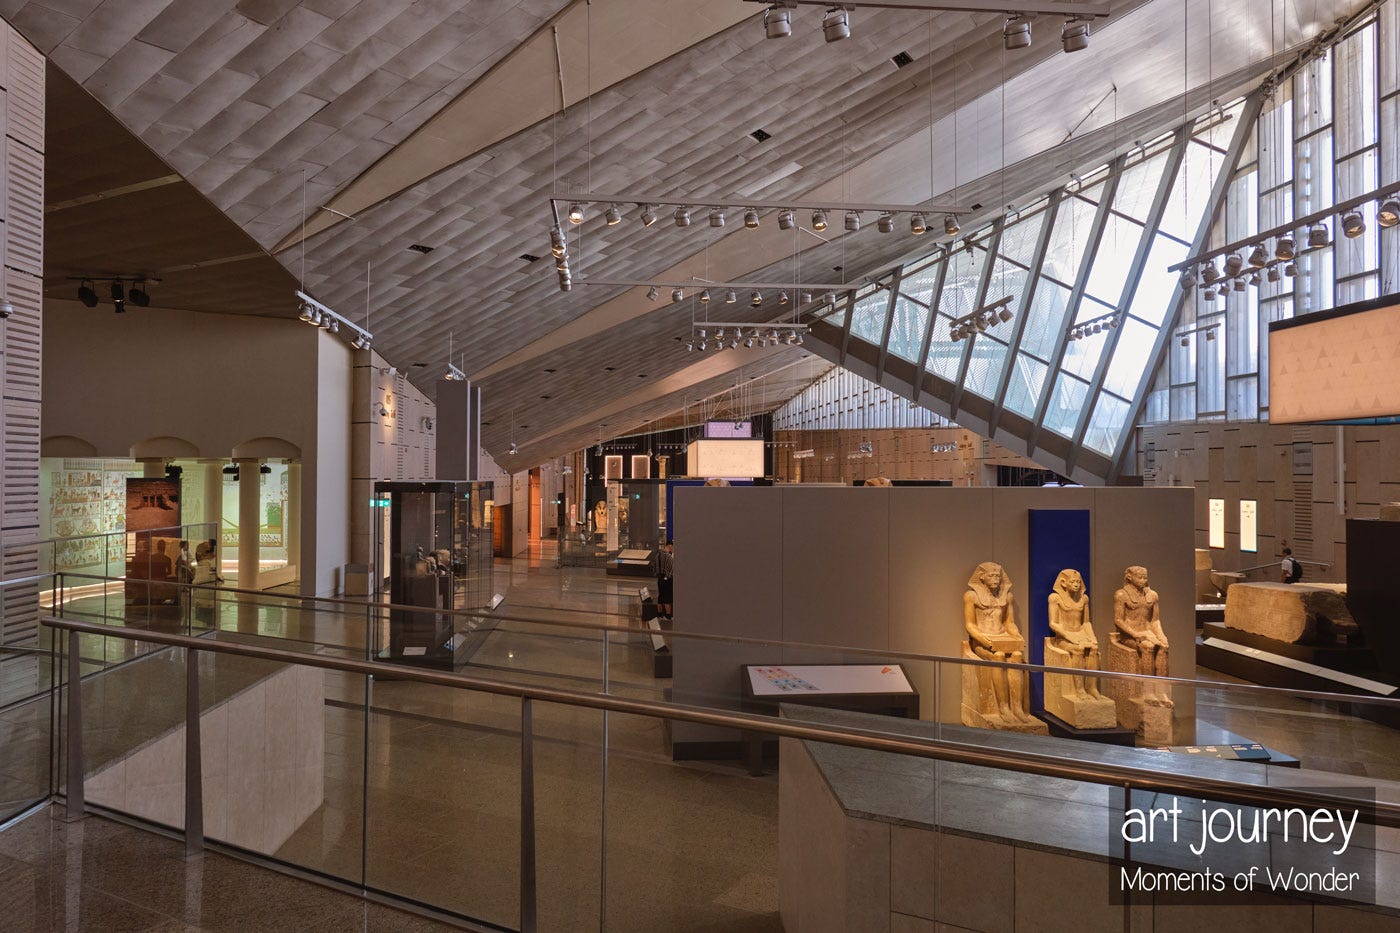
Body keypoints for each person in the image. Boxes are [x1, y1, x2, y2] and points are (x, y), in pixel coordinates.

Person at [963, 562, 1033, 725]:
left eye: (997, 576)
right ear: (982, 577)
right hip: (982, 641)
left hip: (1002, 637)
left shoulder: (1007, 596)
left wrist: (1016, 635)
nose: (995, 579)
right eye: (991, 575)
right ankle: (1003, 707)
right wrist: (983, 639)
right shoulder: (971, 596)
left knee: (1016, 655)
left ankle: (1017, 707)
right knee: (999, 656)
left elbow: (1009, 623)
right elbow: (970, 625)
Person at [1112, 565, 1171, 704]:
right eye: (1140, 577)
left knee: (1163, 647)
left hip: (1148, 632)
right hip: (1129, 636)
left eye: (1145, 577)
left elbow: (1155, 620)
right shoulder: (1121, 595)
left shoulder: (1153, 595)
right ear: (1129, 577)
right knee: (1147, 647)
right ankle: (1148, 691)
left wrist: (1161, 635)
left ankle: (1161, 691)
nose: (1143, 580)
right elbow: (1118, 620)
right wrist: (1135, 634)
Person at [1047, 568, 1107, 702]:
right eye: (1073, 582)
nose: (1076, 585)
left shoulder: (1084, 599)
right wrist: (1070, 636)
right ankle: (1079, 688)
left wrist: (1092, 638)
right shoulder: (1055, 598)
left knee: (1094, 650)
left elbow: (1086, 622)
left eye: (1078, 582)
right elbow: (1053, 623)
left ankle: (1092, 688)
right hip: (1063, 638)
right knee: (1078, 650)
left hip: (1080, 634)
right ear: (1063, 583)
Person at [656, 540, 674, 620]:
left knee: (660, 596)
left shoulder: (657, 556)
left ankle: (660, 615)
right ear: (670, 546)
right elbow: (671, 569)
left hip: (659, 578)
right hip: (667, 580)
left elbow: (654, 568)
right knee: (667, 598)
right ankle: (668, 616)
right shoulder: (668, 556)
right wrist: (667, 577)